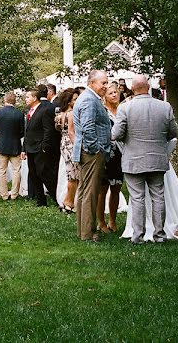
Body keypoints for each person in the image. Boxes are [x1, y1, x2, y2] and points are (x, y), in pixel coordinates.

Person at [111, 75, 177, 244]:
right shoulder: (165, 107)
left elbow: (116, 134)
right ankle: (160, 235)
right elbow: (173, 133)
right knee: (158, 196)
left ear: (132, 88)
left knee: (137, 198)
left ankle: (138, 235)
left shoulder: (125, 108)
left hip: (134, 159)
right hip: (157, 158)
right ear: (148, 87)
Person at [72, 70, 112, 242]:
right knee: (90, 192)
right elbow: (88, 127)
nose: (105, 86)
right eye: (102, 83)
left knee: (83, 191)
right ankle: (88, 233)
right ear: (91, 83)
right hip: (90, 152)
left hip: (85, 150)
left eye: (106, 83)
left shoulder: (88, 98)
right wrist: (96, 149)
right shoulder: (89, 99)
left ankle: (83, 231)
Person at [23, 88, 58, 207]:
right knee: (33, 174)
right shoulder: (29, 111)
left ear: (34, 98)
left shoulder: (44, 110)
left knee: (44, 174)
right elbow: (27, 131)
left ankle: (56, 196)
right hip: (30, 147)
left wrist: (44, 146)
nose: (25, 99)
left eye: (27, 97)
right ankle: (40, 200)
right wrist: (24, 149)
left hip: (40, 148)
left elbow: (48, 130)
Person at [98, 82, 123, 233]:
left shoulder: (123, 110)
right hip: (106, 153)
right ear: (105, 97)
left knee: (117, 187)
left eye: (115, 92)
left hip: (121, 153)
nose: (114, 95)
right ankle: (100, 222)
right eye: (110, 93)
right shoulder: (102, 111)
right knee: (103, 188)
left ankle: (112, 220)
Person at [0, 91, 25, 201]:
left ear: (5, 100)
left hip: (2, 144)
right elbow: (22, 131)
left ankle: (4, 194)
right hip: (15, 145)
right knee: (16, 170)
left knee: (2, 170)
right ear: (15, 101)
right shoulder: (19, 114)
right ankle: (14, 194)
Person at [55, 88, 81, 212]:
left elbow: (57, 128)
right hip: (71, 144)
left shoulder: (60, 114)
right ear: (69, 102)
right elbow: (71, 132)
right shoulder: (71, 114)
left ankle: (67, 201)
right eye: (75, 99)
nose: (77, 101)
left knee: (71, 174)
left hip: (63, 142)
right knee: (74, 175)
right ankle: (68, 203)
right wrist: (77, 147)